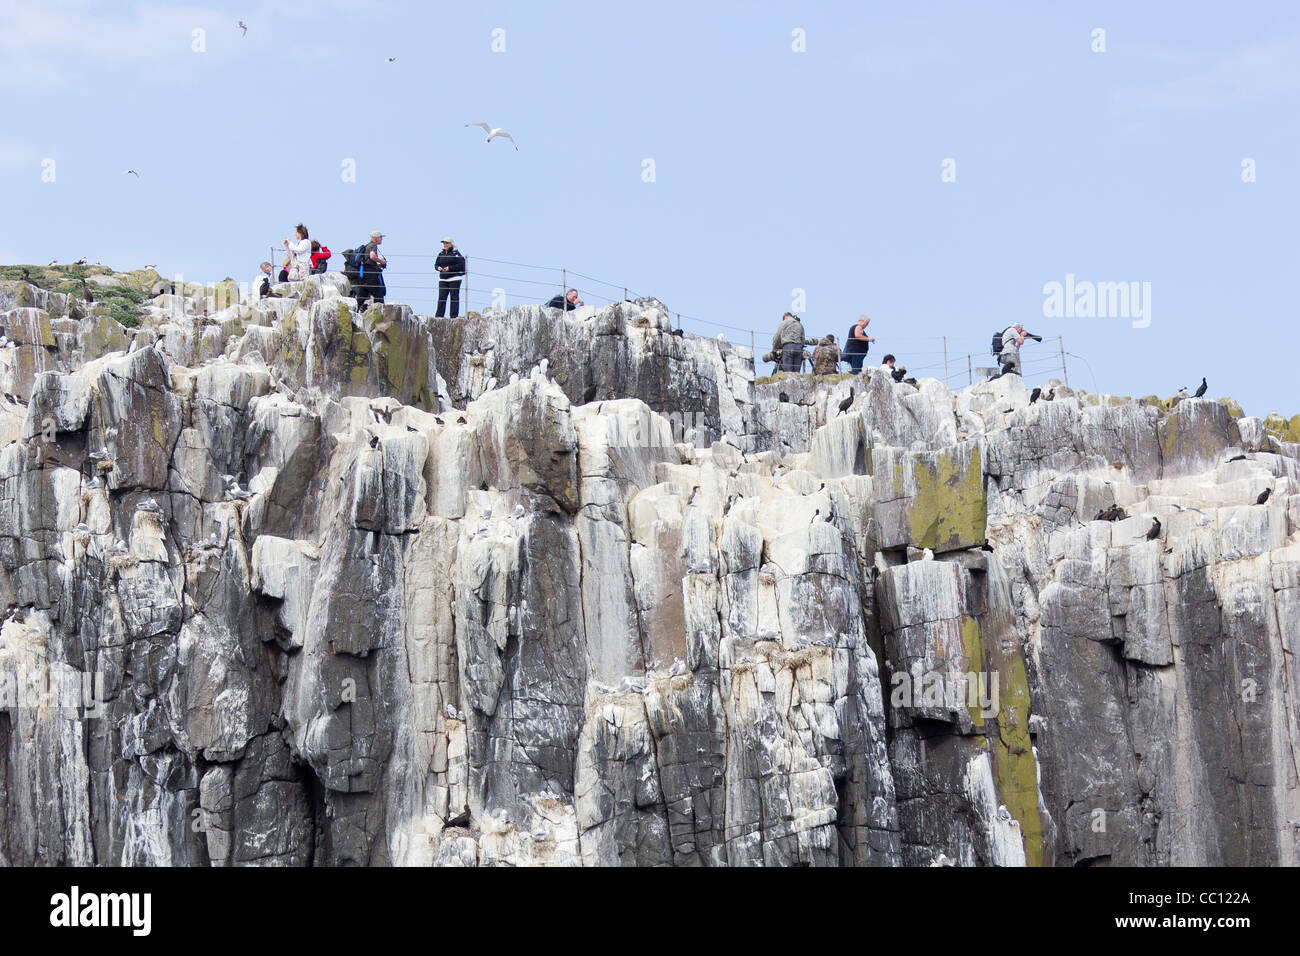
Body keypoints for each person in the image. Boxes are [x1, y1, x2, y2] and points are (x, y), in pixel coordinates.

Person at [435, 237, 467, 318]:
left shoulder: (456, 254)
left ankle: (453, 317)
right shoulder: (441, 254)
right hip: (443, 279)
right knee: (441, 298)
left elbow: (461, 265)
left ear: (451, 244)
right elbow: (436, 264)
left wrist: (450, 268)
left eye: (446, 243)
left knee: (454, 298)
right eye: (444, 243)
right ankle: (439, 316)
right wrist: (438, 267)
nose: (445, 245)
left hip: (454, 278)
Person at [362, 230, 387, 306]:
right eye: (380, 237)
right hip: (370, 273)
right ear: (375, 238)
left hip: (366, 271)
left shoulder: (368, 245)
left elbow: (368, 260)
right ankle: (379, 309)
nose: (381, 239)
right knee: (378, 292)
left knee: (366, 293)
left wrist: (379, 265)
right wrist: (381, 261)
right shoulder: (373, 245)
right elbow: (372, 256)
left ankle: (363, 307)